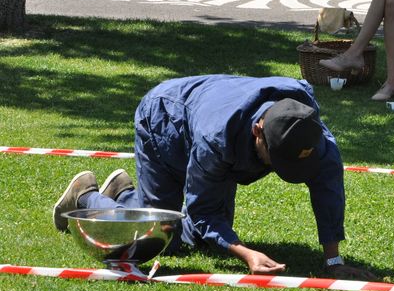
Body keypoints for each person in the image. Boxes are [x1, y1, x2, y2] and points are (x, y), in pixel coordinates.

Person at [52, 74, 377, 280]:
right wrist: (246, 254)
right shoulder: (215, 139)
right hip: (165, 123)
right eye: (275, 160)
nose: (279, 171)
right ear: (258, 132)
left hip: (215, 132)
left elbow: (328, 185)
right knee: (160, 239)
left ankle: (124, 194)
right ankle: (85, 195)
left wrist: (333, 260)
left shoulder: (306, 127)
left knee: (198, 238)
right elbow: (202, 210)